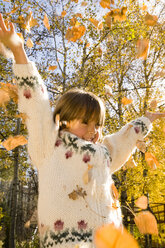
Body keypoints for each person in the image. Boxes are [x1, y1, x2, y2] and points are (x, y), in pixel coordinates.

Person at [0, 13, 164, 248]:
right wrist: (18, 50)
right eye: (84, 123)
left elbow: (123, 140)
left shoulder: (103, 151)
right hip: (66, 242)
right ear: (63, 120)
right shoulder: (50, 143)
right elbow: (36, 103)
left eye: (97, 124)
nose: (92, 130)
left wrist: (145, 121)